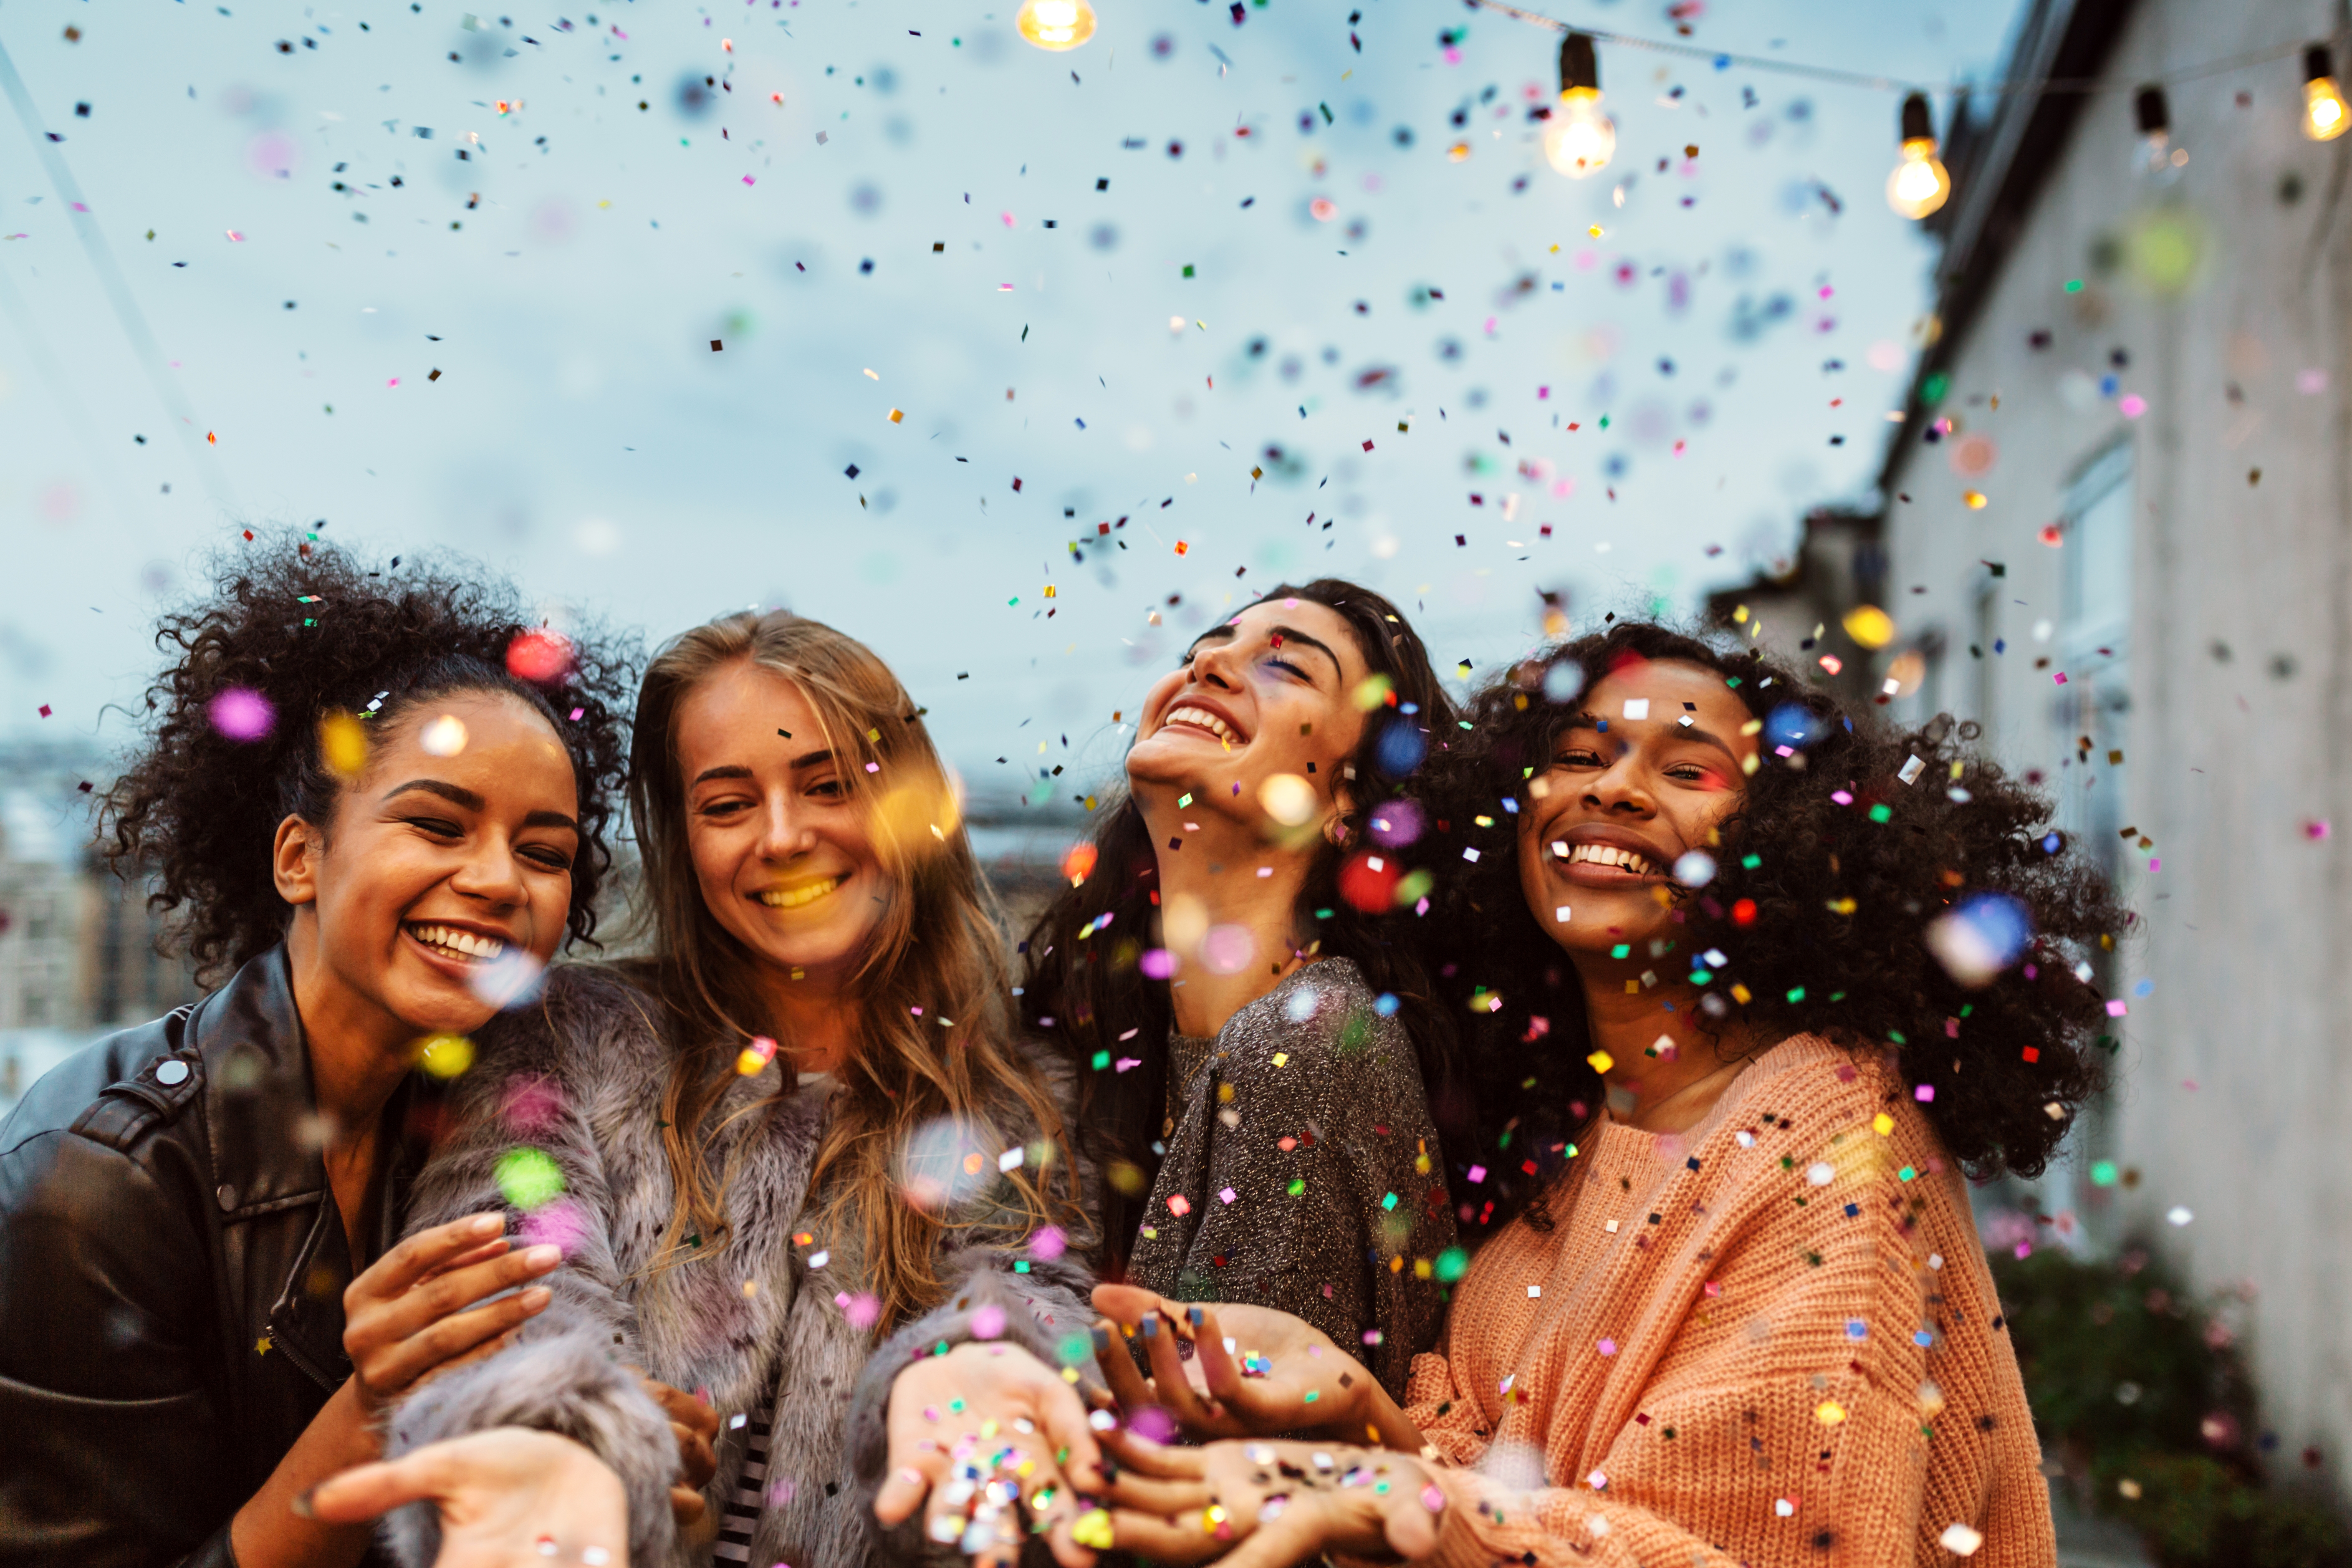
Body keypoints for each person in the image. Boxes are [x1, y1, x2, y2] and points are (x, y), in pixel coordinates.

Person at [1087, 621, 2122, 1568]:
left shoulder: (1831, 1140)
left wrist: (1382, 1480)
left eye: (1687, 769)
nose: (1614, 790)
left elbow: (1725, 1550)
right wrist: (1353, 1406)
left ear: (1788, 839)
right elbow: (1516, 1499)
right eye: (1578, 756)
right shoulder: (1577, 1137)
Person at [363, 611, 1109, 1568]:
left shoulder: (1017, 1097)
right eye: (726, 805)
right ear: (682, 840)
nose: (784, 836)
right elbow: (508, 1293)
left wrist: (979, 1378)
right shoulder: (564, 1040)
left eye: (829, 786)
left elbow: (1027, 1293)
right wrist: (569, 1440)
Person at [0, 538, 636, 1568]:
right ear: (300, 857)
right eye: (437, 824)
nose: (497, 880)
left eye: (545, 851)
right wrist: (380, 1404)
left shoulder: (516, 1119)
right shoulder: (92, 1181)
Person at [1024, 581, 1462, 1401]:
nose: (1211, 663)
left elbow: (1221, 1457)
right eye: (1200, 652)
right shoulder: (1126, 1039)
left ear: (1345, 797)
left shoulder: (1306, 1043)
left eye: (1286, 667)